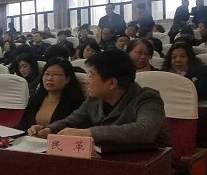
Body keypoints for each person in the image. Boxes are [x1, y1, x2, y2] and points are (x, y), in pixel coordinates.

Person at [29, 49, 170, 153]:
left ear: (112, 83)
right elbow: (71, 121)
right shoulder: (94, 100)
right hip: (108, 161)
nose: (87, 81)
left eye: (91, 76)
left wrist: (88, 133)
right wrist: (49, 129)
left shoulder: (148, 98)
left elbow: (144, 131)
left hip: (149, 165)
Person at [16, 58, 85, 132]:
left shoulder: (76, 103)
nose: (49, 78)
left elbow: (74, 129)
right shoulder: (35, 99)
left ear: (67, 79)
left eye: (55, 74)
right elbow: (22, 125)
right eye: (47, 74)